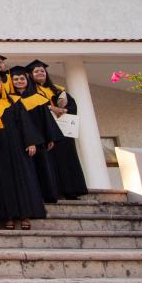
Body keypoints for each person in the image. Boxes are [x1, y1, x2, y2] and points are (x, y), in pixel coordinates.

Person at [0, 69, 47, 230]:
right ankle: (8, 216)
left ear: (2, 84)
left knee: (23, 178)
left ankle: (25, 215)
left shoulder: (14, 101)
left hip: (17, 147)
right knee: (1, 181)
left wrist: (30, 142)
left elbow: (24, 123)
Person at [28, 59, 89, 199]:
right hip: (44, 131)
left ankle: (70, 190)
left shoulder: (58, 90)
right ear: (31, 75)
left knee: (66, 159)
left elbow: (72, 107)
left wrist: (64, 109)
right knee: (48, 161)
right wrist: (51, 107)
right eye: (36, 71)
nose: (39, 73)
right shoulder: (30, 92)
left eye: (42, 71)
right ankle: (52, 191)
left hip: (62, 131)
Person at [9, 65, 64, 203]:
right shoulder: (9, 99)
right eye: (16, 79)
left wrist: (50, 137)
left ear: (27, 80)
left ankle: (46, 195)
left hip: (39, 138)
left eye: (22, 78)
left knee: (42, 165)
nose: (19, 81)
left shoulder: (37, 98)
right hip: (18, 138)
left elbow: (47, 119)